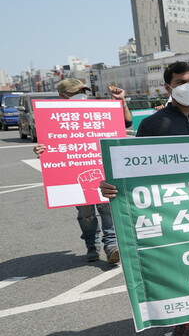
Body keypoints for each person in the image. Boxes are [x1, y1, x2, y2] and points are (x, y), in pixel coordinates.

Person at [100, 62, 189, 336]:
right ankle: (182, 321)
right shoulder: (152, 125)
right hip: (172, 208)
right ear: (167, 87)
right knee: (178, 259)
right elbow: (133, 170)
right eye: (180, 81)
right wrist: (112, 186)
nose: (187, 86)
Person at [34, 80, 132, 264]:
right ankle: (91, 245)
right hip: (76, 171)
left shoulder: (99, 110)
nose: (81, 95)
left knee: (107, 208)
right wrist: (41, 151)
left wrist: (122, 102)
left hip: (103, 169)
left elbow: (126, 123)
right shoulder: (52, 116)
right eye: (75, 93)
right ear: (63, 96)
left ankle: (111, 246)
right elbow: (50, 144)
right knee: (85, 213)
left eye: (83, 91)